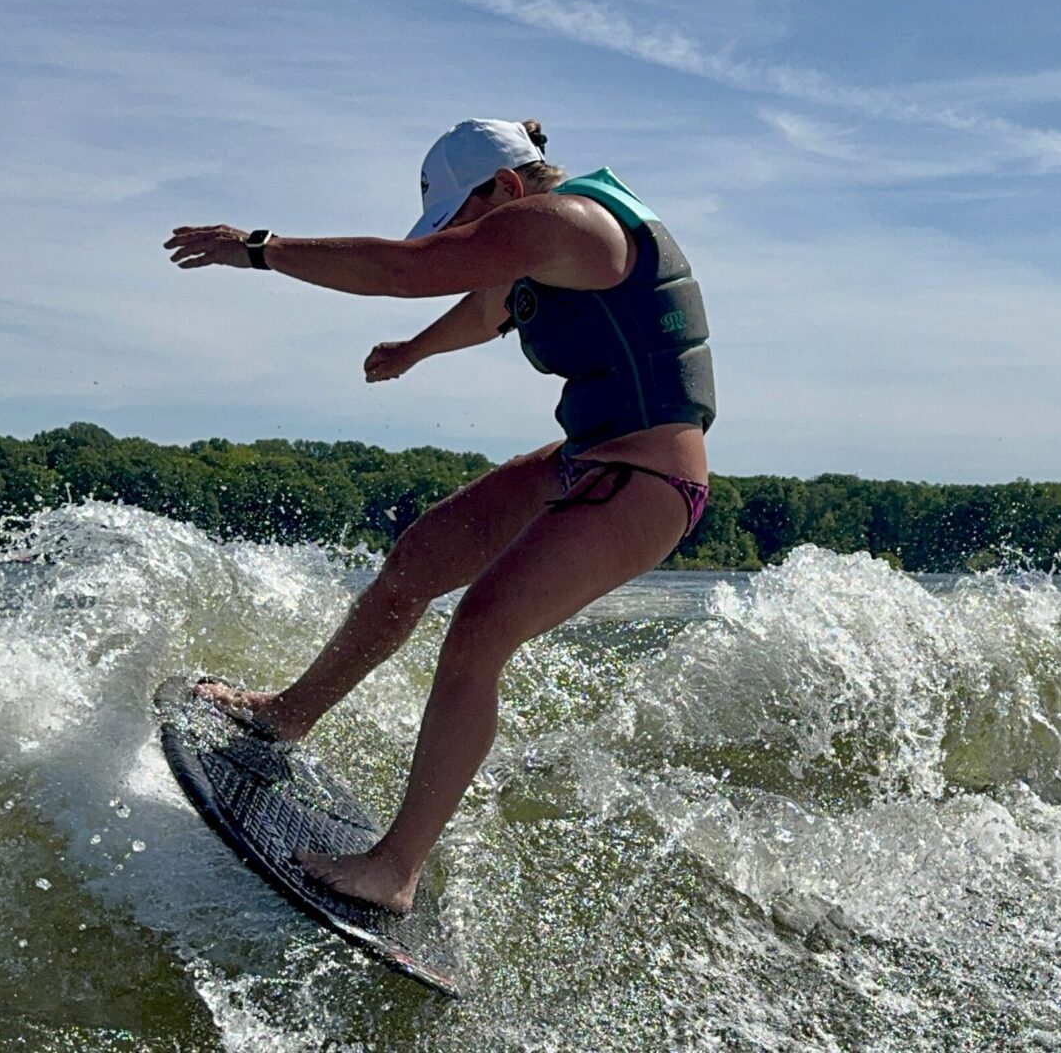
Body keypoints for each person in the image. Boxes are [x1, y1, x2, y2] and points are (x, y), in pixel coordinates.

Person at [164, 118, 716, 912]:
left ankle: (395, 869)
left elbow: (406, 267)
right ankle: (286, 716)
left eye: (464, 220)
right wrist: (414, 351)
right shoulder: (538, 244)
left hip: (649, 481)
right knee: (413, 566)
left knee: (479, 631)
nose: (461, 238)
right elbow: (487, 308)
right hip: (585, 457)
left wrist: (258, 249)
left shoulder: (563, 220)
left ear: (507, 187)